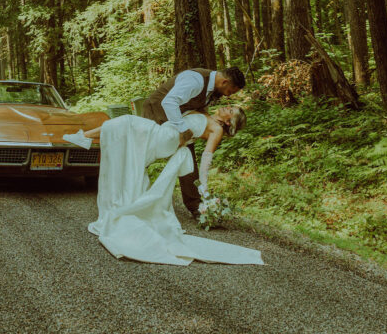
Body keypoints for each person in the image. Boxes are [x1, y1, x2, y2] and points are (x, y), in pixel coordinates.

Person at [63, 106, 261, 266]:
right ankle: (85, 138)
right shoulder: (206, 113)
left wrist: (204, 188)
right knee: (125, 131)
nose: (228, 107)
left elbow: (206, 159)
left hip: (165, 138)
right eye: (230, 106)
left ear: (229, 122)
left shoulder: (216, 130)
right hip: (163, 134)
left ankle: (84, 137)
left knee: (125, 122)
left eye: (231, 111)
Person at [139, 67, 246, 217]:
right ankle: (132, 189)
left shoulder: (211, 91)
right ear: (225, 82)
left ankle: (196, 206)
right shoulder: (195, 80)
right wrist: (184, 130)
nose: (228, 97)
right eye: (230, 91)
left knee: (188, 161)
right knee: (144, 155)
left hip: (178, 125)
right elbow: (169, 102)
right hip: (157, 111)